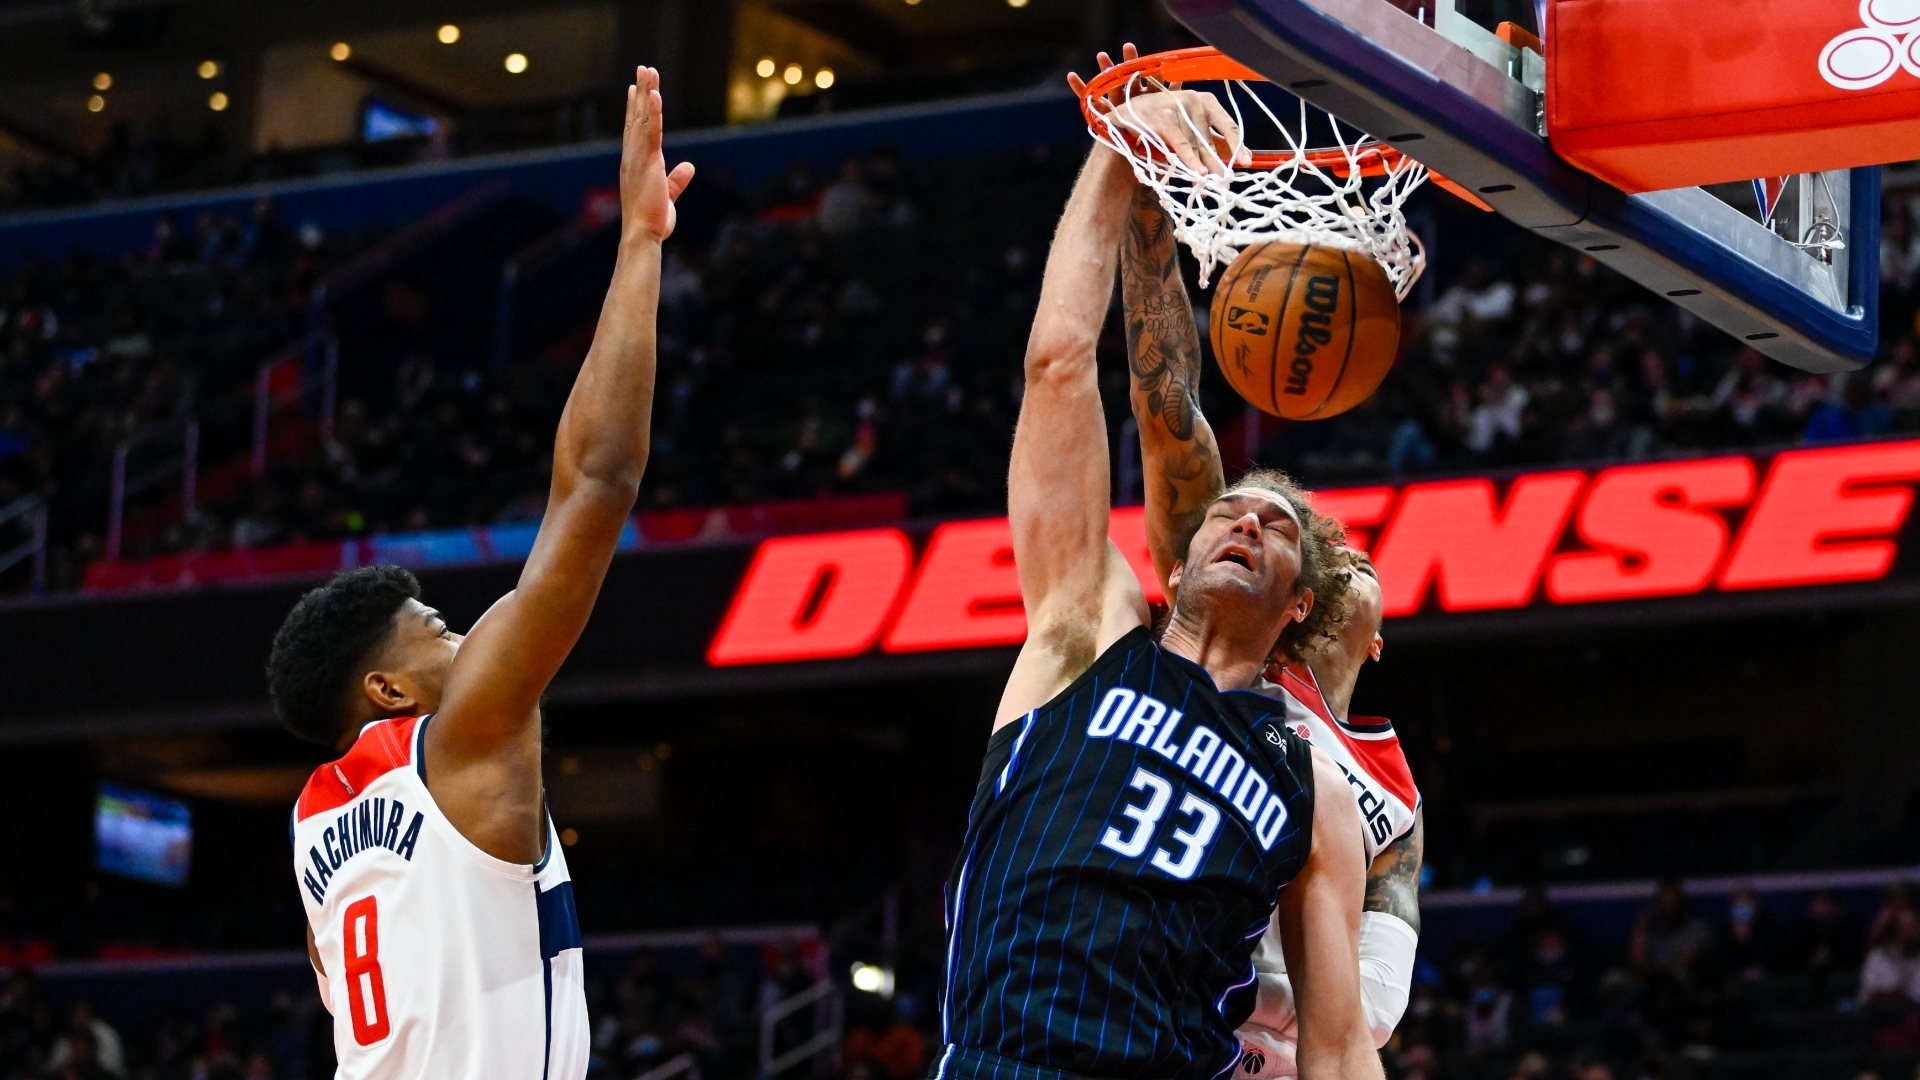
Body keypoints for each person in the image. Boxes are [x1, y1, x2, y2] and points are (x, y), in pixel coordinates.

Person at [936, 70, 1380, 1080]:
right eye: (1230, 507)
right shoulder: (1083, 631)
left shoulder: (1310, 782)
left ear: (1299, 600)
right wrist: (1114, 150)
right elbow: (1059, 367)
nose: (1246, 518)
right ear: (1179, 560)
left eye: (1275, 525)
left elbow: (1342, 1041)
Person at [269, 67, 694, 1080]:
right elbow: (598, 479)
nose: (470, 639)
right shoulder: (459, 741)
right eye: (440, 632)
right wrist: (639, 246)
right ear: (390, 690)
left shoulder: (312, 824)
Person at [1104, 44, 1423, 1076]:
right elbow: (1166, 411)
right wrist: (1152, 193)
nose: (1346, 552)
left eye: (1313, 535)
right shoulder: (1230, 648)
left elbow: (1371, 1009)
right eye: (1290, 530)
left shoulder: (1394, 796)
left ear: (1365, 632)